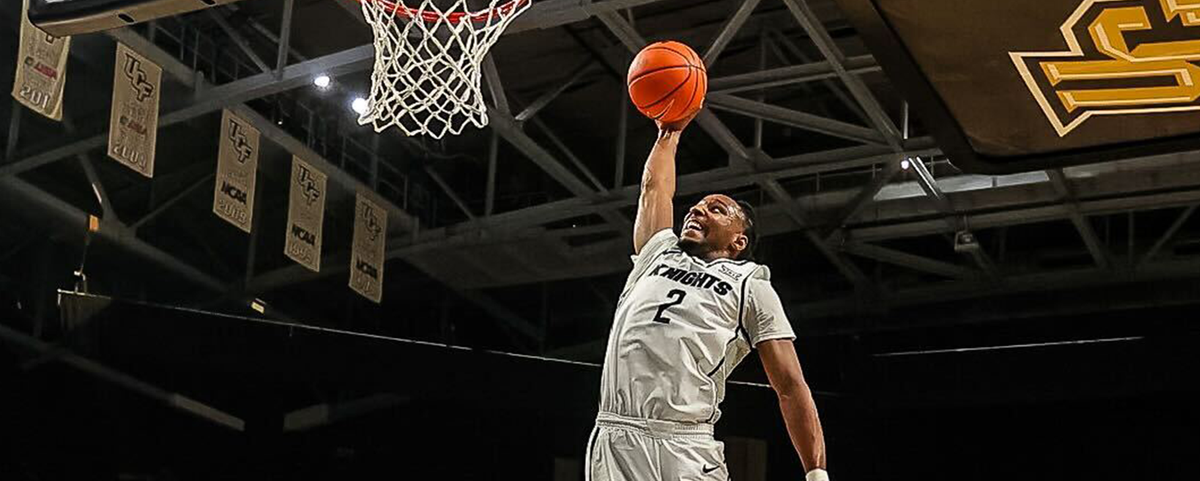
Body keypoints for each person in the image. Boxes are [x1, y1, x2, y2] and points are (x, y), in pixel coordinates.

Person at [586, 109, 829, 481]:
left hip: (685, 445)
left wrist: (816, 472)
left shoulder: (750, 283)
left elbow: (791, 386)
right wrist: (669, 133)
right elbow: (655, 189)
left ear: (738, 241)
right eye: (698, 205)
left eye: (717, 209)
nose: (698, 209)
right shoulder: (657, 253)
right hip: (617, 438)